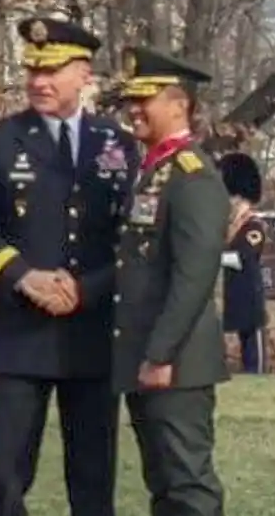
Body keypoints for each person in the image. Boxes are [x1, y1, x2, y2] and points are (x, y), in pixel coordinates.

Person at [0, 16, 137, 516]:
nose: (39, 82)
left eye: (53, 70)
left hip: (93, 334)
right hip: (21, 337)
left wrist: (90, 288)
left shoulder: (117, 144)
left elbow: (136, 241)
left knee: (93, 480)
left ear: (84, 74)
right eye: (33, 70)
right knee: (7, 479)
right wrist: (23, 277)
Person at [112, 45, 230, 516]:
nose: (134, 110)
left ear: (179, 104)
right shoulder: (153, 172)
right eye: (131, 100)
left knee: (187, 485)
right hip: (148, 357)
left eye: (146, 99)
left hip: (175, 363)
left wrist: (161, 352)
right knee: (163, 484)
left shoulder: (192, 175)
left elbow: (195, 273)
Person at [218, 152, 268, 375]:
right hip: (234, 289)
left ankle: (257, 372)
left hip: (250, 289)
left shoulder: (253, 225)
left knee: (252, 340)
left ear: (239, 198)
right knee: (240, 336)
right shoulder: (232, 224)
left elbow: (244, 256)